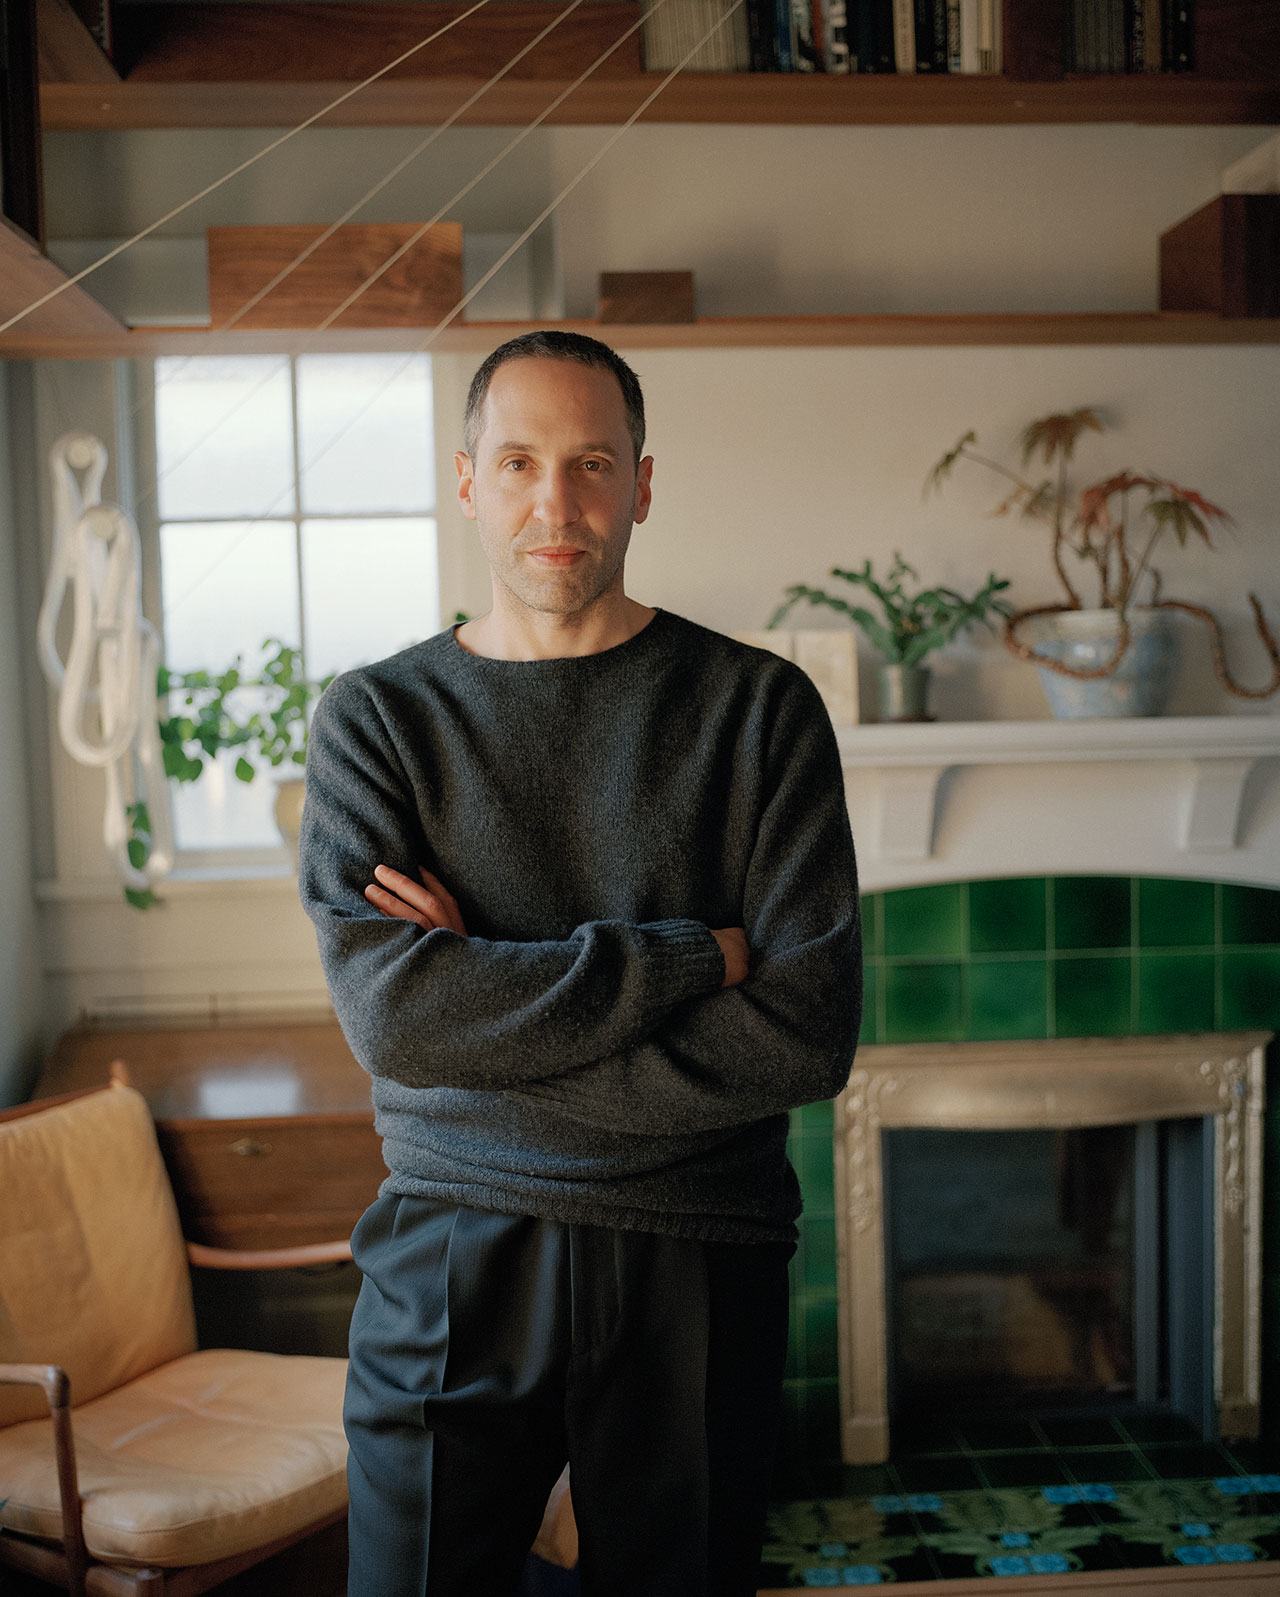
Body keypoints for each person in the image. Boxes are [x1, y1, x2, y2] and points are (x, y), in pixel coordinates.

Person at [298, 330, 862, 1597]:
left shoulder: (757, 710)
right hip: (451, 1244)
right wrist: (688, 958)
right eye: (517, 463)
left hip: (697, 1253)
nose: (555, 504)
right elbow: (397, 1021)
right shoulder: (377, 721)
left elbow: (805, 1031)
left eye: (590, 463)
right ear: (466, 482)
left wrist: (488, 1012)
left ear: (642, 483)